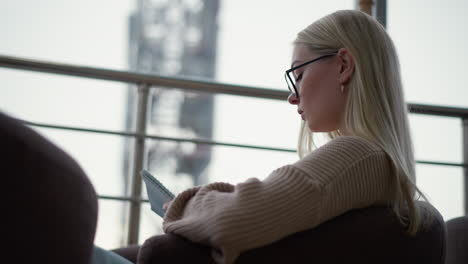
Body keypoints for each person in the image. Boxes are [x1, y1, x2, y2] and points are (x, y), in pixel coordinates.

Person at [162, 9, 427, 264]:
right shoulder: (379, 165)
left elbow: (238, 218)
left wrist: (185, 203)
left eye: (298, 75)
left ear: (344, 65)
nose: (292, 96)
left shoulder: (358, 155)